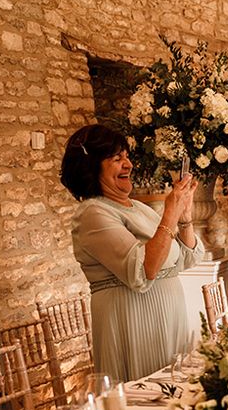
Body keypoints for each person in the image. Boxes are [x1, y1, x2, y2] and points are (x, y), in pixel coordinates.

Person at [60, 124, 203, 382]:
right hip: (133, 322)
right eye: (117, 159)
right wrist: (170, 213)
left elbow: (187, 257)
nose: (128, 165)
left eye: (126, 157)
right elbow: (143, 270)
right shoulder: (93, 213)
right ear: (92, 167)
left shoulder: (138, 207)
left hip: (169, 318)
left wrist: (185, 217)